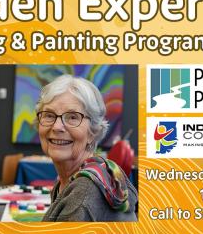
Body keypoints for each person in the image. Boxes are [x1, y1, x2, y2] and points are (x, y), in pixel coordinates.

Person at [37, 74, 137, 221]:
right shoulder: (69, 180)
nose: (57, 127)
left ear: (93, 131)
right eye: (49, 115)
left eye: (72, 117)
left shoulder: (84, 193)